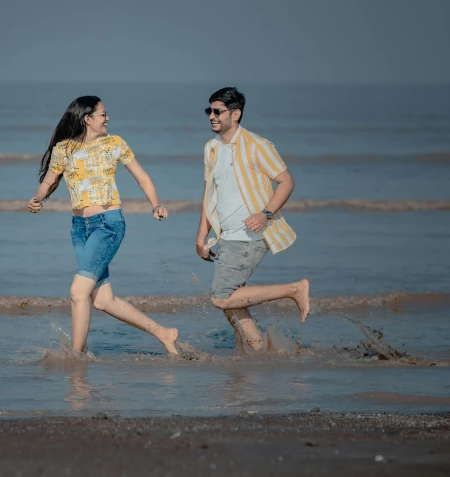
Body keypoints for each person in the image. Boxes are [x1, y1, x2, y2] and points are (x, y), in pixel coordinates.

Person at [28, 96, 179, 355]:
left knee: (78, 291)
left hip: (108, 225)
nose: (107, 118)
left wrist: (155, 205)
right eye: (103, 114)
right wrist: (36, 199)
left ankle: (76, 357)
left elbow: (142, 177)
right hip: (80, 228)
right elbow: (49, 181)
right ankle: (164, 334)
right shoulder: (63, 149)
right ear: (88, 119)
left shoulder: (115, 144)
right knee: (102, 300)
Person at [195, 87, 310, 352]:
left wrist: (265, 213)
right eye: (209, 111)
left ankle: (293, 289)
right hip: (227, 236)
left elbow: (286, 181)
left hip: (250, 237)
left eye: (217, 111)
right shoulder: (211, 148)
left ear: (235, 114)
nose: (211, 116)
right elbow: (208, 195)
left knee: (221, 298)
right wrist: (202, 236)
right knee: (233, 298)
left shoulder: (257, 145)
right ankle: (256, 348)